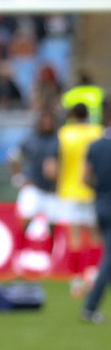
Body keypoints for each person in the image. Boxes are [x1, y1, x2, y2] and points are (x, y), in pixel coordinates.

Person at [45, 103, 103, 298]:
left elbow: (53, 166)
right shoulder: (98, 132)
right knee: (95, 236)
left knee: (75, 239)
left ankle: (76, 281)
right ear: (88, 115)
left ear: (72, 115)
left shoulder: (64, 134)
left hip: (69, 191)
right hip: (92, 190)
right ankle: (93, 276)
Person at [8, 110, 59, 273]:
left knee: (52, 226)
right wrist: (18, 177)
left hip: (53, 190)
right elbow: (13, 157)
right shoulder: (30, 139)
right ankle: (19, 256)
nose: (47, 124)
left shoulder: (59, 140)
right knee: (25, 221)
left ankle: (50, 259)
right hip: (33, 187)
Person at [81, 102, 111, 323]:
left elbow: (85, 177)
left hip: (101, 204)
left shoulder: (95, 146)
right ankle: (90, 307)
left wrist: (100, 191)